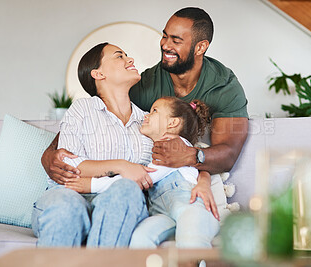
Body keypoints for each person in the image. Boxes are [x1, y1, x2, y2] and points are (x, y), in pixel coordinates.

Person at [41, 7, 249, 243]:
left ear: (200, 47)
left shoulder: (223, 86)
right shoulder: (144, 86)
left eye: (176, 40)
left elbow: (227, 153)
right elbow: (86, 125)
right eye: (164, 36)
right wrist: (49, 154)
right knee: (71, 206)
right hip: (108, 195)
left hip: (151, 195)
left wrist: (194, 162)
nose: (165, 45)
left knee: (129, 196)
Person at [32, 42, 156, 247]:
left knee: (126, 190)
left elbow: (155, 171)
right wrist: (122, 166)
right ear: (97, 74)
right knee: (66, 207)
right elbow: (71, 166)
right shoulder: (82, 109)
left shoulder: (148, 121)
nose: (130, 60)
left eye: (127, 55)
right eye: (119, 56)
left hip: (118, 203)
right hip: (68, 196)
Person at [65, 96, 220, 248]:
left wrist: (91, 185)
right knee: (140, 239)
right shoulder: (155, 152)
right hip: (162, 213)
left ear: (172, 122)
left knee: (191, 241)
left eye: (154, 111)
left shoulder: (176, 147)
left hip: (190, 206)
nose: (146, 115)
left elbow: (139, 178)